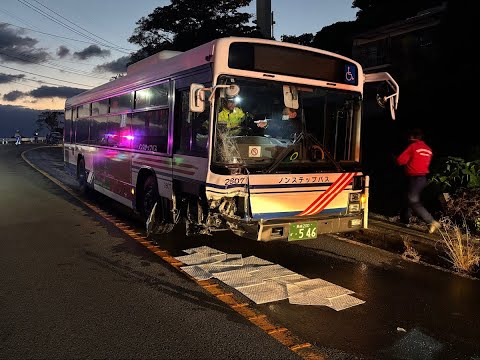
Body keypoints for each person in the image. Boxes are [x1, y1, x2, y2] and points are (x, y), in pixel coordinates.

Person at [396, 128, 441, 233]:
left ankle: (431, 221)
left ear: (412, 137)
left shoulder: (413, 147)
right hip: (423, 178)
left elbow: (400, 161)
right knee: (408, 197)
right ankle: (405, 220)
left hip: (414, 178)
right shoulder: (428, 149)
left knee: (413, 200)